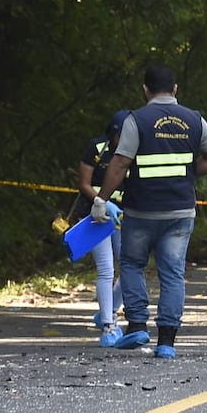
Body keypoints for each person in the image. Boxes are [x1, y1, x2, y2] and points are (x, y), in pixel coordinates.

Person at [91, 64, 207, 359]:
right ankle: (166, 342)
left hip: (142, 210)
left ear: (145, 90)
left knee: (131, 264)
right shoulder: (195, 120)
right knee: (173, 273)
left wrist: (101, 199)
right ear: (175, 89)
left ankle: (137, 325)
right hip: (180, 211)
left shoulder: (136, 120)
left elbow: (119, 164)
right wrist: (190, 173)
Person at [76, 109, 129, 346]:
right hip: (97, 215)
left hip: (124, 217)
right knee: (106, 269)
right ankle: (109, 325)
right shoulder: (97, 148)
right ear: (114, 132)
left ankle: (109, 310)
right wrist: (103, 203)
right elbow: (84, 183)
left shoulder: (136, 151)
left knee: (129, 268)